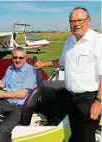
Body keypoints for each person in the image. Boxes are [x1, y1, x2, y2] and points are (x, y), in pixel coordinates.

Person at [34, 7, 101, 142]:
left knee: (87, 137)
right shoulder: (70, 40)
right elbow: (62, 61)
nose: (76, 24)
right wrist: (44, 64)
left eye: (80, 20)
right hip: (71, 97)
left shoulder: (98, 41)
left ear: (89, 21)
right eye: (72, 21)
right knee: (76, 132)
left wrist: (98, 102)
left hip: (88, 100)